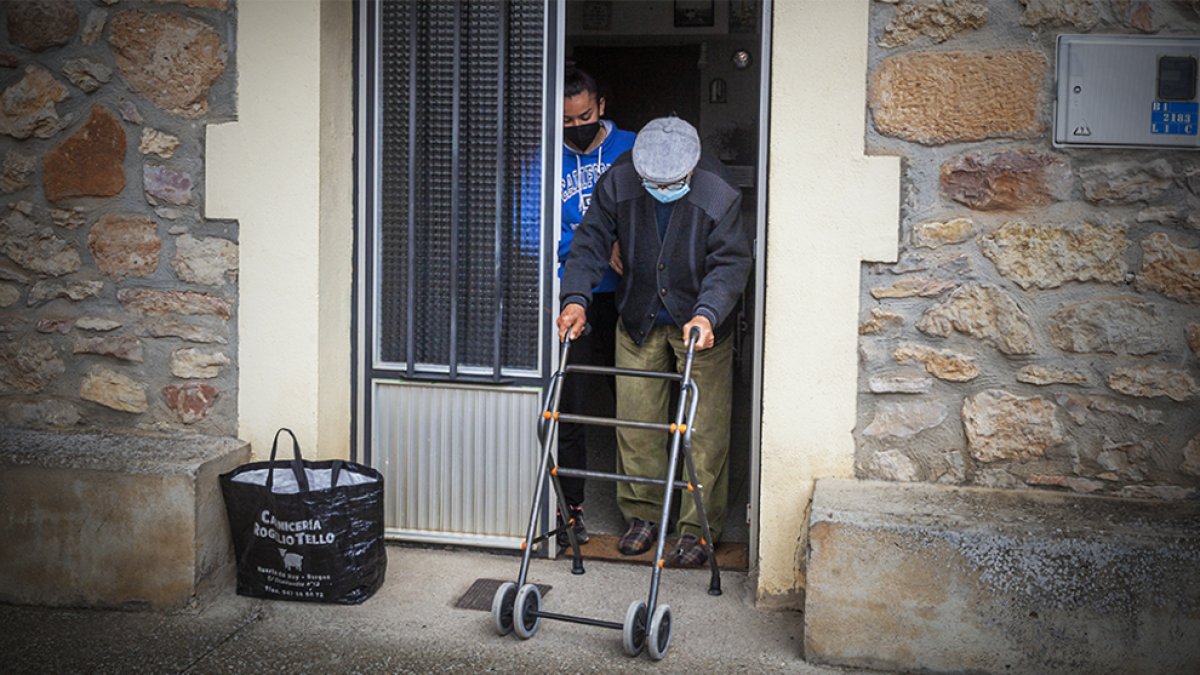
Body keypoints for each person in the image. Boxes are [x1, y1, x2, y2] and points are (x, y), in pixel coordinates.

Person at [556, 116, 752, 567]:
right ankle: (642, 515)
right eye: (652, 182)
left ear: (692, 168)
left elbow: (730, 264)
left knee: (702, 433)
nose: (661, 188)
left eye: (672, 182)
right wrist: (577, 298)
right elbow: (589, 242)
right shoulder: (619, 180)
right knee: (637, 424)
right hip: (638, 316)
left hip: (700, 325)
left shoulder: (718, 193)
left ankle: (696, 529)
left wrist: (707, 313)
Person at [555, 64, 636, 548]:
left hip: (629, 296)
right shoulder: (544, 157)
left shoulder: (630, 147)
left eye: (583, 116)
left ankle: (643, 512)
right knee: (573, 404)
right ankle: (571, 511)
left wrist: (623, 236)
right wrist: (591, 239)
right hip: (575, 297)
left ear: (601, 107)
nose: (576, 128)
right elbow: (529, 226)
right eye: (566, 121)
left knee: (635, 401)